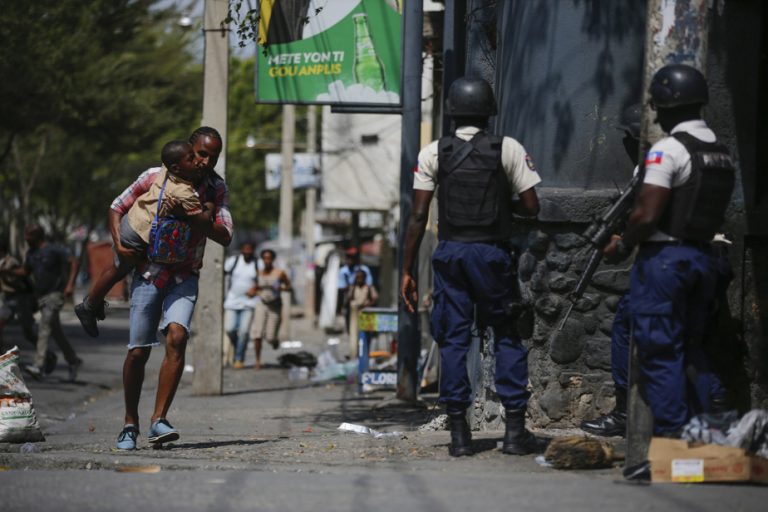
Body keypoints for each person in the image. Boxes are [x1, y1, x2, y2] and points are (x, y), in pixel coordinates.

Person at [400, 77, 543, 457]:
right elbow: (532, 206)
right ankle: (514, 433)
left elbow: (417, 216)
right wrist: (501, 207)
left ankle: (459, 436)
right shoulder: (508, 148)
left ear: (451, 110)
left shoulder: (434, 152)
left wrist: (407, 270)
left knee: (453, 339)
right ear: (488, 110)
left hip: (451, 255)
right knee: (507, 334)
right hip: (493, 256)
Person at [603, 65, 736, 437]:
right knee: (691, 350)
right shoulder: (720, 153)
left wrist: (623, 243)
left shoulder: (669, 150)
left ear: (667, 105)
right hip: (703, 259)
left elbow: (647, 214)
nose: (656, 113)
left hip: (666, 262)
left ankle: (671, 444)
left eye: (658, 105)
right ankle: (704, 437)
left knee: (661, 355)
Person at [107, 127, 233, 450]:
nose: (206, 161)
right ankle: (129, 423)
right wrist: (120, 245)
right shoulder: (155, 176)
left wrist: (194, 217)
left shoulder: (215, 189)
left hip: (185, 273)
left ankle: (158, 421)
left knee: (177, 337)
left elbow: (225, 233)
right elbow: (117, 206)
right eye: (201, 154)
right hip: (150, 272)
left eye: (213, 156)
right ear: (188, 151)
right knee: (138, 351)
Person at [75, 140, 213, 337]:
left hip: (131, 223)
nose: (199, 162)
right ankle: (88, 306)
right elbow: (203, 220)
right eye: (192, 158)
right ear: (177, 167)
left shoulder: (164, 174)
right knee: (120, 268)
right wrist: (209, 204)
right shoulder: (185, 192)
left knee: (119, 268)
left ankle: (94, 303)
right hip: (136, 235)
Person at [14, 225, 82, 381]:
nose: (26, 238)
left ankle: (38, 365)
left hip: (55, 294)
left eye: (29, 235)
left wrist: (70, 284)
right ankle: (73, 360)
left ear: (38, 236)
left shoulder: (54, 250)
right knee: (55, 332)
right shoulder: (31, 253)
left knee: (44, 327)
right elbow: (25, 271)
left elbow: (73, 262)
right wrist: (7, 271)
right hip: (39, 297)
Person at [249, 249, 291, 369]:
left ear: (273, 259)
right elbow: (256, 287)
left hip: (275, 306)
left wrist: (282, 288)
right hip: (262, 304)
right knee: (257, 332)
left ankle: (274, 341)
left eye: (269, 258)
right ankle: (258, 360)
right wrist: (252, 291)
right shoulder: (259, 273)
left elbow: (289, 286)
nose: (267, 261)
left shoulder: (279, 273)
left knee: (270, 336)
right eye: (265, 258)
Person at [224, 242, 259, 369]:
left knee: (244, 332)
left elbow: (263, 279)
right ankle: (238, 345)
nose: (247, 252)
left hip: (249, 303)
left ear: (253, 251)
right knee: (230, 329)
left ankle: (239, 358)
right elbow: (222, 274)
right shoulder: (233, 261)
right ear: (242, 250)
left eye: (250, 250)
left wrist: (255, 289)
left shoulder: (257, 264)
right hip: (232, 302)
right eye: (245, 250)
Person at [346, 269, 378, 359]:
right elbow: (349, 299)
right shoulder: (353, 288)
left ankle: (365, 354)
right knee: (354, 334)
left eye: (361, 278)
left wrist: (367, 304)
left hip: (366, 314)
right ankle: (354, 354)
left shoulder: (369, 287)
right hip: (355, 313)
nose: (359, 279)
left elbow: (375, 298)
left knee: (366, 335)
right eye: (357, 278)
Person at [337, 249, 372, 330]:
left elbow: (369, 286)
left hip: (364, 302)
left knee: (364, 327)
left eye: (352, 257)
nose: (349, 260)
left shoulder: (364, 270)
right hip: (351, 303)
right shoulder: (343, 271)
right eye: (348, 257)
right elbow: (341, 288)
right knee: (351, 326)